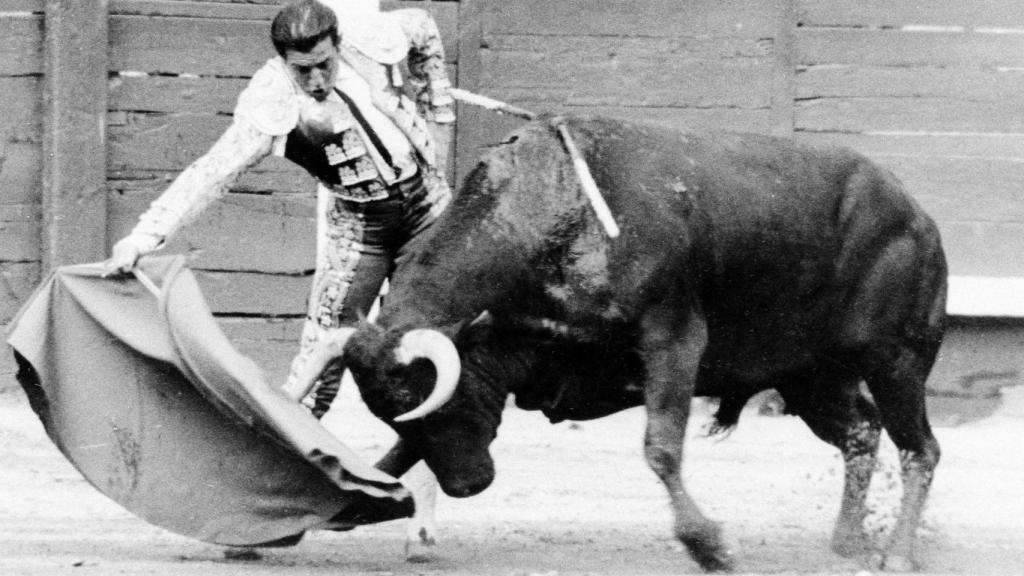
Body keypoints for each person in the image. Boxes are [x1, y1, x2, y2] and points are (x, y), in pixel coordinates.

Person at [106, 0, 455, 418]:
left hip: (429, 204)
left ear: (339, 43)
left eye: (323, 64)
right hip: (362, 226)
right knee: (322, 355)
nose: (314, 79)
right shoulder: (271, 99)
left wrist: (438, 110)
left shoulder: (370, 38)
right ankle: (292, 458)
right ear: (282, 60)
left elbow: (422, 27)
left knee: (448, 326)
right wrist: (144, 236)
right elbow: (212, 172)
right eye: (301, 69)